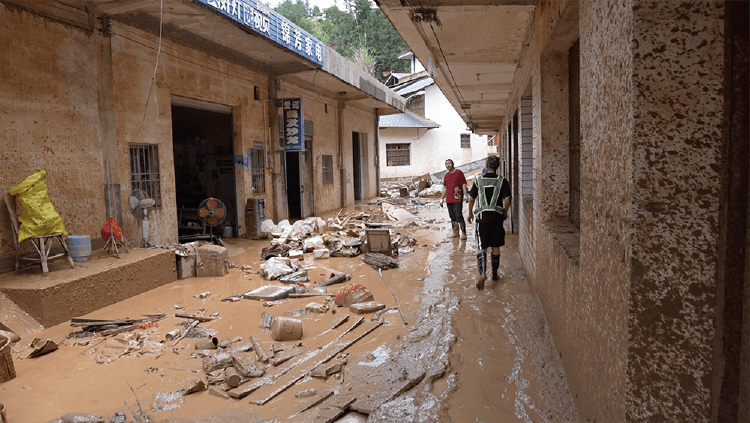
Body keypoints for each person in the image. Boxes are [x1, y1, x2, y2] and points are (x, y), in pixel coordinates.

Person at [467, 155, 511, 290]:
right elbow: (508, 199)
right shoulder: (502, 181)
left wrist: (469, 213)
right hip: (497, 218)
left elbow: (471, 198)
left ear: (486, 166)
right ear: (497, 167)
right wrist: (505, 212)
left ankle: (482, 274)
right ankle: (494, 274)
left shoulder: (478, 180)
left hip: (482, 219)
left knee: (482, 246)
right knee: (495, 246)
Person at [439, 159, 468, 239]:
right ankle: (455, 232)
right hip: (449, 199)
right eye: (446, 164)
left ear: (453, 164)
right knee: (452, 216)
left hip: (457, 198)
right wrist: (441, 198)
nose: (448, 165)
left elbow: (463, 184)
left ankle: (464, 233)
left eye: (449, 163)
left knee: (459, 215)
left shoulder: (459, 173)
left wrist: (465, 194)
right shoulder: (446, 176)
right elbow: (445, 187)